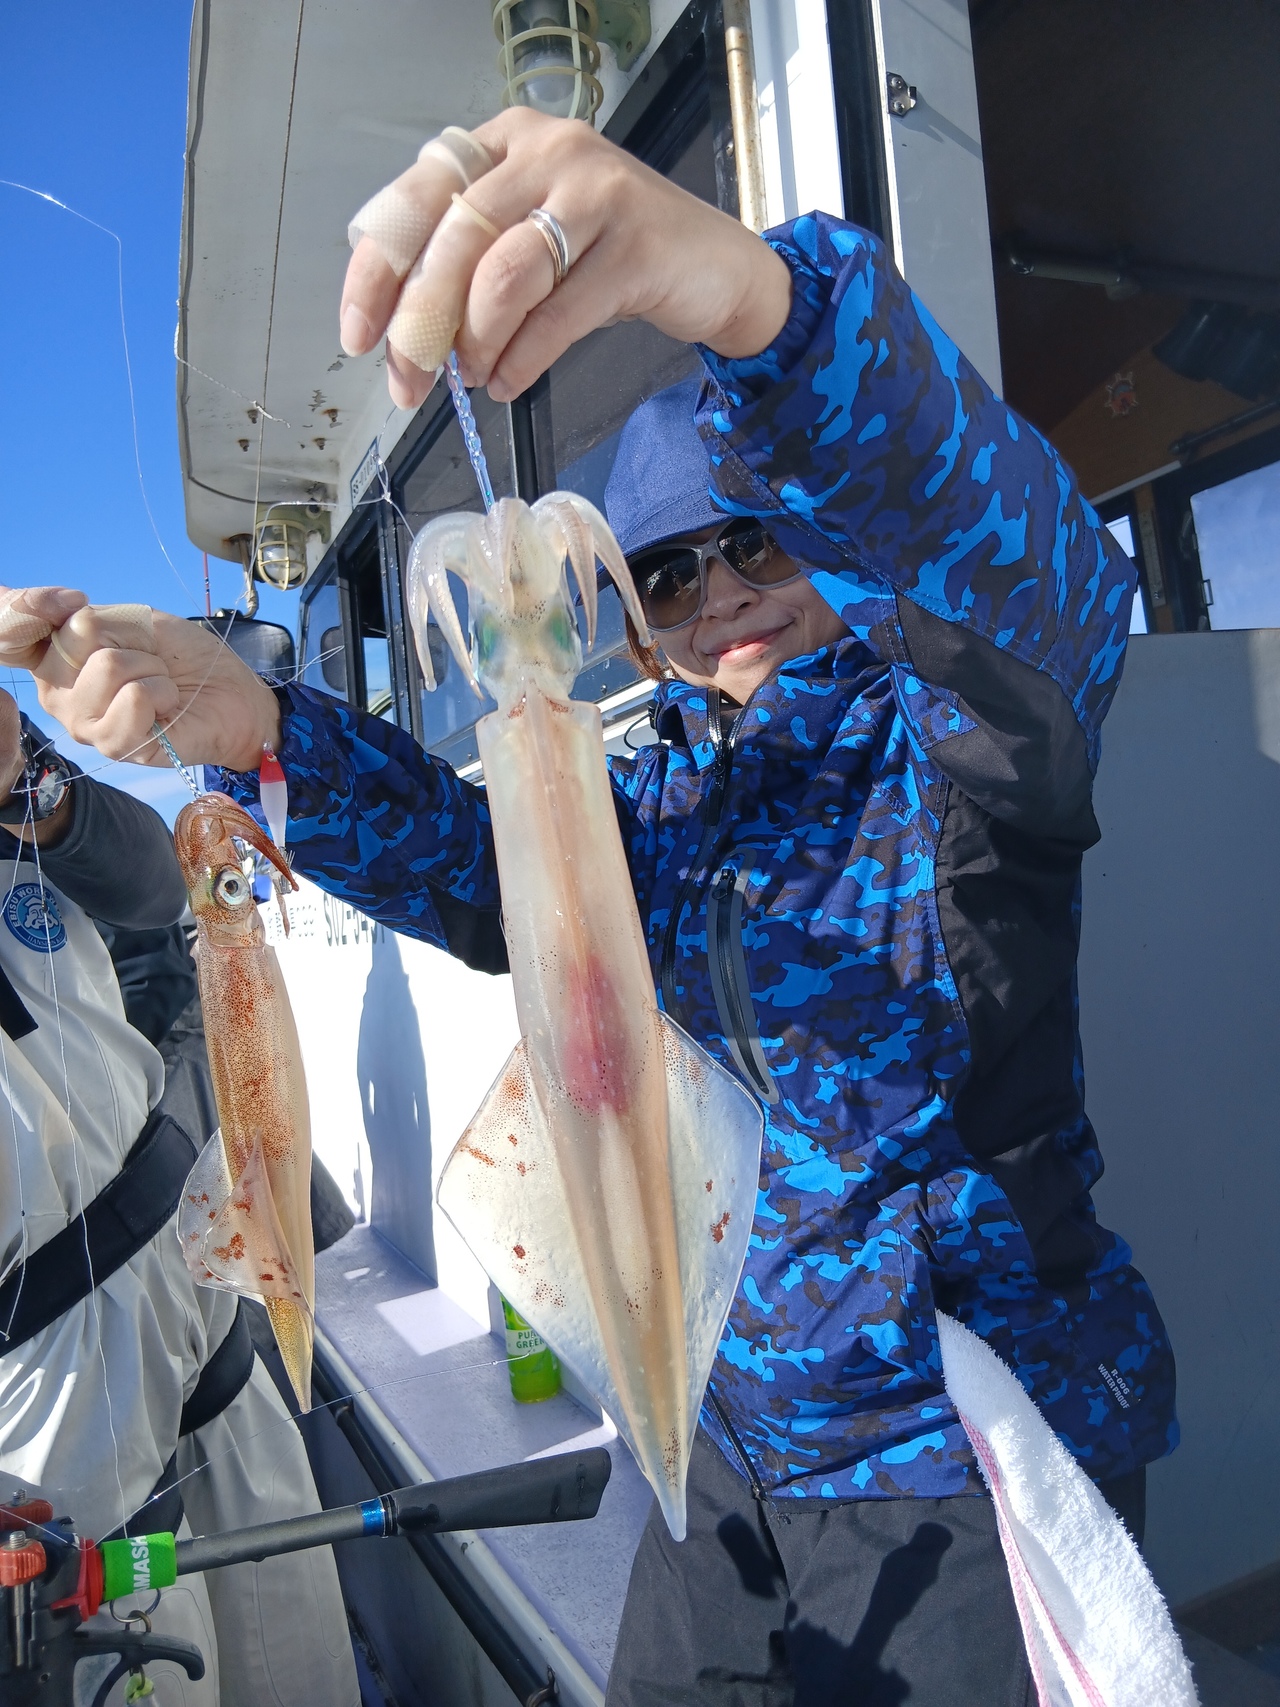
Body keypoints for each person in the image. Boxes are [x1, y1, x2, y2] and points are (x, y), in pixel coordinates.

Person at [19, 108, 1176, 1705]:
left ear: (831, 544)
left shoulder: (962, 753)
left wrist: (767, 309)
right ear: (638, 623)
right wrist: (265, 723)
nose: (720, 596)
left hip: (951, 1448)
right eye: (671, 575)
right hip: (720, 1436)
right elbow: (486, 871)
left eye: (755, 543)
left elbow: (1048, 587)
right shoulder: (658, 799)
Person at [0, 686, 358, 1707]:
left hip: (187, 1275)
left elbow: (157, 887)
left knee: (292, 1622)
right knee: (140, 1648)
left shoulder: (16, 775)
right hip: (42, 1388)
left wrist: (30, 785)